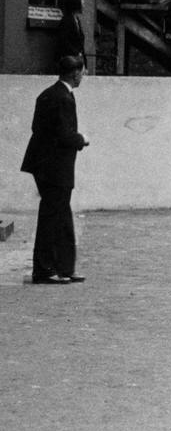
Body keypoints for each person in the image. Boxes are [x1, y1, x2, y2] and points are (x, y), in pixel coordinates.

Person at [22, 55, 90, 285]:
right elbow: (64, 135)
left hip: (43, 164)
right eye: (82, 72)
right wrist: (82, 139)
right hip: (56, 167)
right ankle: (45, 270)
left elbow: (38, 128)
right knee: (53, 218)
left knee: (59, 216)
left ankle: (62, 267)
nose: (83, 76)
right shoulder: (64, 98)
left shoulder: (48, 94)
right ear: (75, 73)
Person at [57, 0, 86, 69]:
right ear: (76, 5)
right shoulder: (67, 20)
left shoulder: (77, 20)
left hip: (77, 59)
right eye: (82, 4)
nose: (84, 6)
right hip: (70, 60)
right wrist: (76, 53)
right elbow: (63, 40)